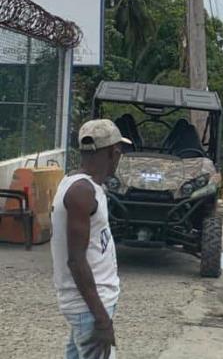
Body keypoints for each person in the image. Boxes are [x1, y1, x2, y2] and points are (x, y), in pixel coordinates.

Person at [52, 119, 130, 359]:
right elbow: (76, 261)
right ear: (113, 153)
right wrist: (102, 319)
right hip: (88, 308)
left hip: (89, 305)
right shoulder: (81, 192)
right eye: (119, 152)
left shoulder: (82, 185)